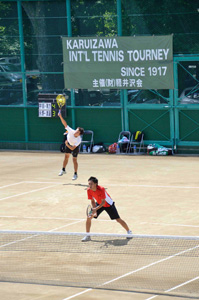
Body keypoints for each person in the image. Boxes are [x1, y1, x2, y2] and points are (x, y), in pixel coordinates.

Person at [82, 176, 132, 241]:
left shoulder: (101, 189)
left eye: (91, 184)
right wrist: (94, 210)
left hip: (108, 205)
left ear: (96, 184)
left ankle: (129, 232)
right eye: (89, 184)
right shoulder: (89, 190)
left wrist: (96, 209)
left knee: (118, 219)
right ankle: (87, 235)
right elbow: (92, 201)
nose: (89, 185)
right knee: (89, 217)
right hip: (99, 204)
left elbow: (103, 202)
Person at [58, 111, 84, 180]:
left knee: (74, 160)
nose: (76, 131)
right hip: (68, 144)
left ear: (79, 134)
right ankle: (63, 169)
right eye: (76, 130)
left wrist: (66, 144)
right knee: (66, 157)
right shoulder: (71, 131)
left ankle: (75, 174)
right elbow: (65, 124)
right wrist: (60, 116)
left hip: (74, 147)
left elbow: (72, 148)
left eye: (78, 131)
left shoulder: (78, 140)